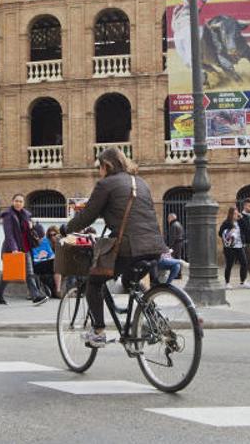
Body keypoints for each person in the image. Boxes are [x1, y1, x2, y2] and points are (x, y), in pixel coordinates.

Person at [62, 147, 165, 349]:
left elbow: (88, 215)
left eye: (99, 167)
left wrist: (67, 228)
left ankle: (99, 332)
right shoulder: (141, 182)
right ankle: (155, 320)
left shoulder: (106, 184)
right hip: (155, 245)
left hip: (129, 247)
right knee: (130, 281)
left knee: (94, 282)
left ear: (106, 166)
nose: (99, 172)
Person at [0, 194, 49, 306]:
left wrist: (31, 226)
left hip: (25, 248)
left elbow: (31, 233)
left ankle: (36, 296)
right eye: (16, 201)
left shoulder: (26, 215)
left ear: (23, 204)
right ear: (12, 201)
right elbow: (9, 234)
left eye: (21, 201)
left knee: (29, 273)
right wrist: (14, 249)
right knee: (9, 274)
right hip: (12, 249)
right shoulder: (8, 215)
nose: (18, 203)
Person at [218, 206, 248, 289]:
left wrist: (241, 218)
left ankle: (243, 282)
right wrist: (228, 233)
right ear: (230, 214)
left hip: (239, 246)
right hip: (229, 247)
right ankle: (227, 283)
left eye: (237, 213)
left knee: (244, 263)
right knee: (229, 265)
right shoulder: (226, 223)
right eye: (234, 213)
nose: (236, 215)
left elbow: (246, 229)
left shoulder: (239, 222)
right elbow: (220, 233)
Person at [31, 226, 59, 298]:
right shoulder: (31, 243)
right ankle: (56, 290)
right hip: (36, 264)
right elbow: (31, 259)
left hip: (46, 262)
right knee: (55, 264)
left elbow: (52, 255)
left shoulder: (45, 241)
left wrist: (47, 256)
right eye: (39, 237)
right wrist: (39, 256)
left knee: (57, 262)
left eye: (42, 237)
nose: (41, 240)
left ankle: (57, 290)